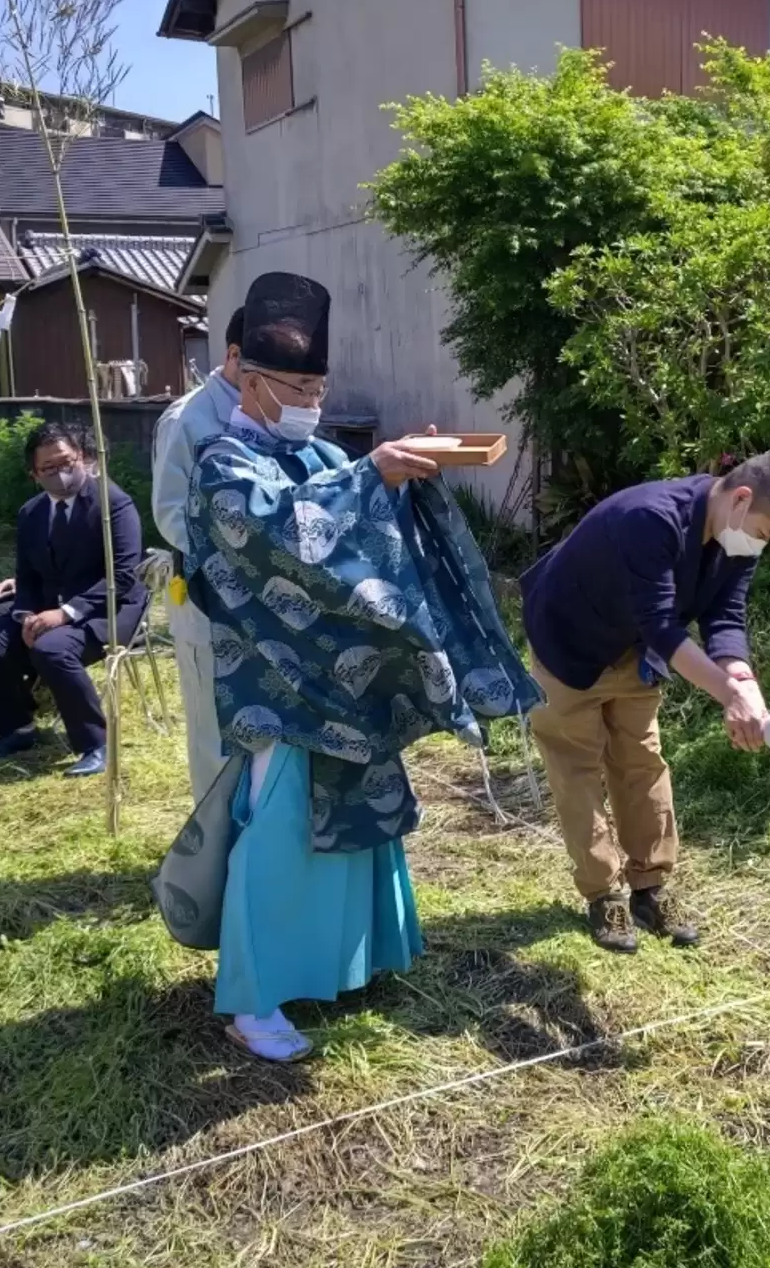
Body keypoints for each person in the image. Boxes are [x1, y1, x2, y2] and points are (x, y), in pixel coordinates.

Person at [179, 269, 538, 1063]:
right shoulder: (223, 462)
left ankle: (349, 961)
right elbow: (278, 533)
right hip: (280, 686)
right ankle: (253, 999)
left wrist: (402, 478)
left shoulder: (311, 454)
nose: (311, 396)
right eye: (297, 383)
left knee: (361, 819)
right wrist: (372, 474)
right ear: (248, 377)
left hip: (346, 680)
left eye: (319, 382)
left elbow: (354, 516)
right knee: (276, 836)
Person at [520, 451, 770, 954]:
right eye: (765, 534)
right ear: (742, 499)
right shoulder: (651, 517)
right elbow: (662, 625)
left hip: (635, 651)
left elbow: (726, 612)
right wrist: (728, 696)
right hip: (569, 643)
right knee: (577, 767)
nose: (761, 545)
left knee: (642, 761)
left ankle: (650, 886)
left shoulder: (734, 537)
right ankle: (603, 894)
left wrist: (744, 681)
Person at [0, 421, 147, 776]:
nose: (61, 473)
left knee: (52, 649)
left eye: (67, 462)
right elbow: (27, 576)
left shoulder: (112, 505)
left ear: (81, 457)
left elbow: (123, 576)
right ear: (34, 473)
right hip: (51, 606)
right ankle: (17, 729)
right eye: (49, 468)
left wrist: (64, 613)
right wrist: (25, 615)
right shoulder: (32, 513)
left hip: (110, 608)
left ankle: (95, 744)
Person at [150, 307, 243, 801]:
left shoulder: (276, 412)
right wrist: (243, 553)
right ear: (234, 355)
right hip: (207, 593)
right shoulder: (188, 418)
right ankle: (215, 851)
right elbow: (170, 513)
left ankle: (258, 848)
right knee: (215, 728)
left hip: (264, 602)